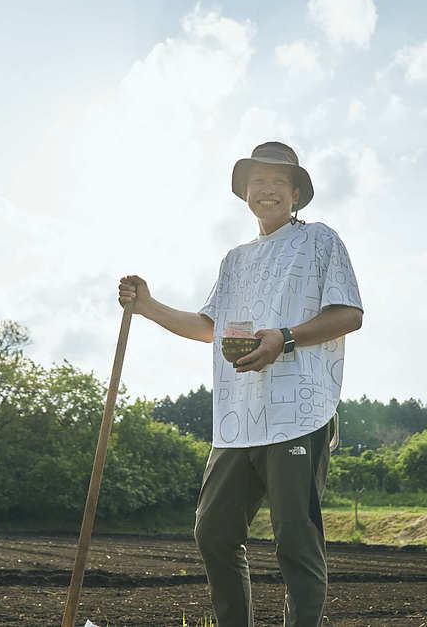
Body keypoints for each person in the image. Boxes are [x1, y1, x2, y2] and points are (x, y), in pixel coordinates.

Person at [117, 141, 363, 626]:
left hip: (298, 412)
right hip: (238, 417)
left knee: (295, 536)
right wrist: (148, 306)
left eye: (277, 182)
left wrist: (285, 338)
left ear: (296, 194)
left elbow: (349, 314)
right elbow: (210, 327)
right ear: (245, 195)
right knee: (214, 531)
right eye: (257, 183)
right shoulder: (236, 259)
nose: (266, 190)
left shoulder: (320, 241)